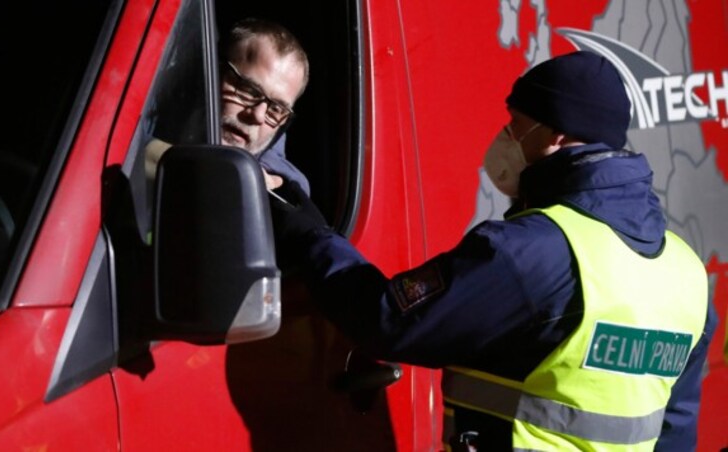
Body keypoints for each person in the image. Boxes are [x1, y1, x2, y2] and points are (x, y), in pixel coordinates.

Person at [269, 51, 717, 451]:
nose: (506, 135)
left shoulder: (530, 251)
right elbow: (675, 431)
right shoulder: (687, 273)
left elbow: (387, 320)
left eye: (516, 123)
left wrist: (309, 233)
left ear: (556, 135)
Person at [146, 18, 310, 195]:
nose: (258, 116)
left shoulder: (279, 186)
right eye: (248, 90)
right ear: (210, 72)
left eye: (276, 109)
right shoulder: (142, 112)